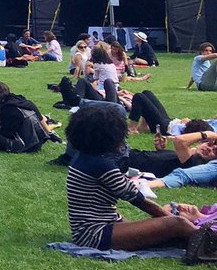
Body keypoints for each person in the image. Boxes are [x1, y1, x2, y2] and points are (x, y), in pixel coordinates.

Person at [65, 104, 200, 250]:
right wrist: (171, 218)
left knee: (170, 234)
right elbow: (137, 199)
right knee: (177, 224)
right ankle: (209, 244)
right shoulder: (101, 165)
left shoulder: (83, 158)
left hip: (100, 227)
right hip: (95, 235)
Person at [0, 82, 59, 153]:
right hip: (37, 142)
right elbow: (40, 118)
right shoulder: (21, 101)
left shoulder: (8, 108)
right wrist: (50, 134)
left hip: (23, 145)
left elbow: (6, 133)